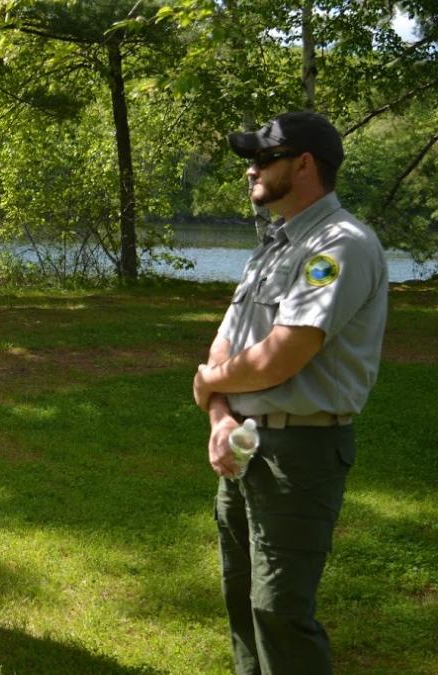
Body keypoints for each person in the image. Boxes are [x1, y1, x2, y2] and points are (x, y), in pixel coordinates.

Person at [192, 111, 388, 674]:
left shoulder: (340, 246)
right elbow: (224, 347)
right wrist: (221, 418)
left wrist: (209, 386)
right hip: (242, 446)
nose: (250, 170)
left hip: (298, 457)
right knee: (241, 601)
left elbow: (282, 357)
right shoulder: (275, 245)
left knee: (278, 610)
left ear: (303, 164)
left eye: (262, 158)